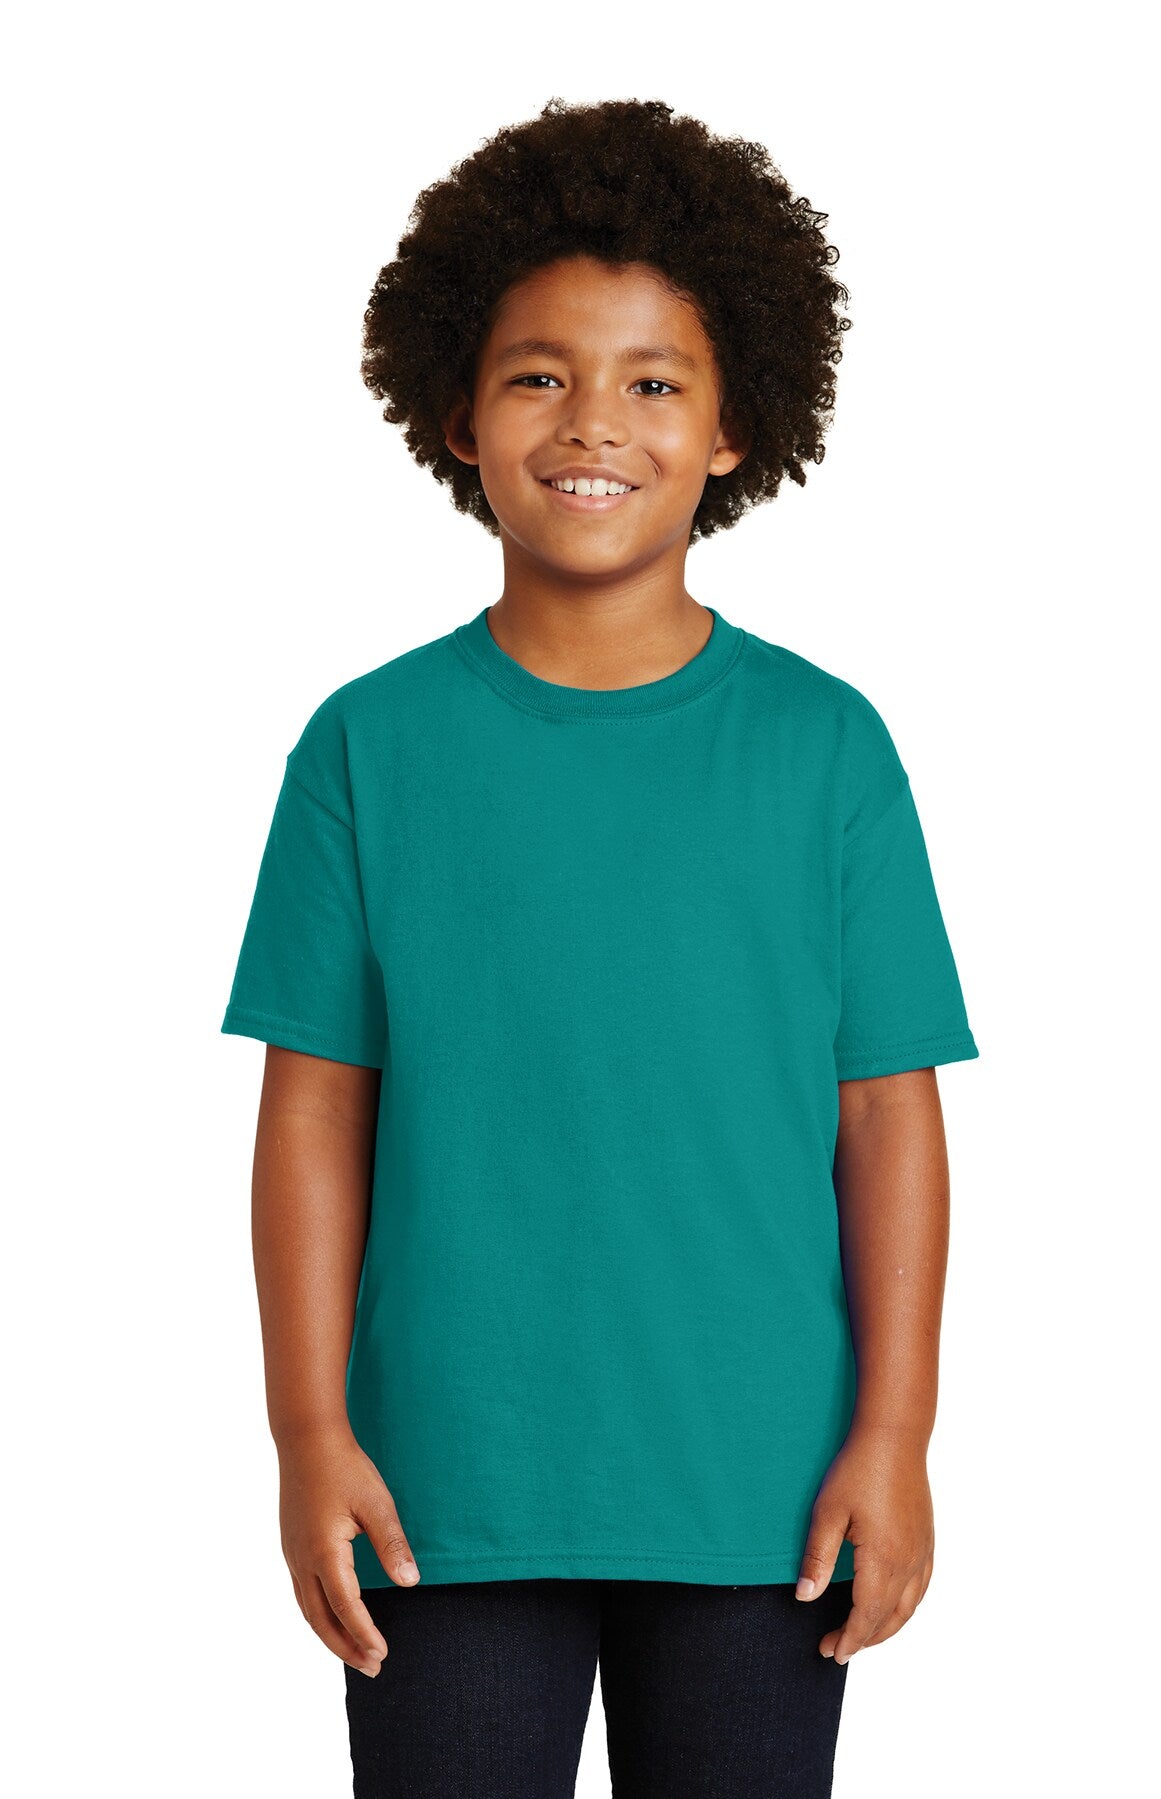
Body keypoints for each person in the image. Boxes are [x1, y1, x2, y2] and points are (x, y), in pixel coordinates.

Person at [220, 96, 980, 1798]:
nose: (593, 424)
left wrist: (898, 1434)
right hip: (441, 1494)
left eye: (653, 382)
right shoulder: (367, 749)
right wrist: (307, 1431)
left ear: (734, 425)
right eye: (538, 375)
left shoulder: (826, 751)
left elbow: (887, 1114)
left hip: (762, 1498)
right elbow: (315, 1111)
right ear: (456, 412)